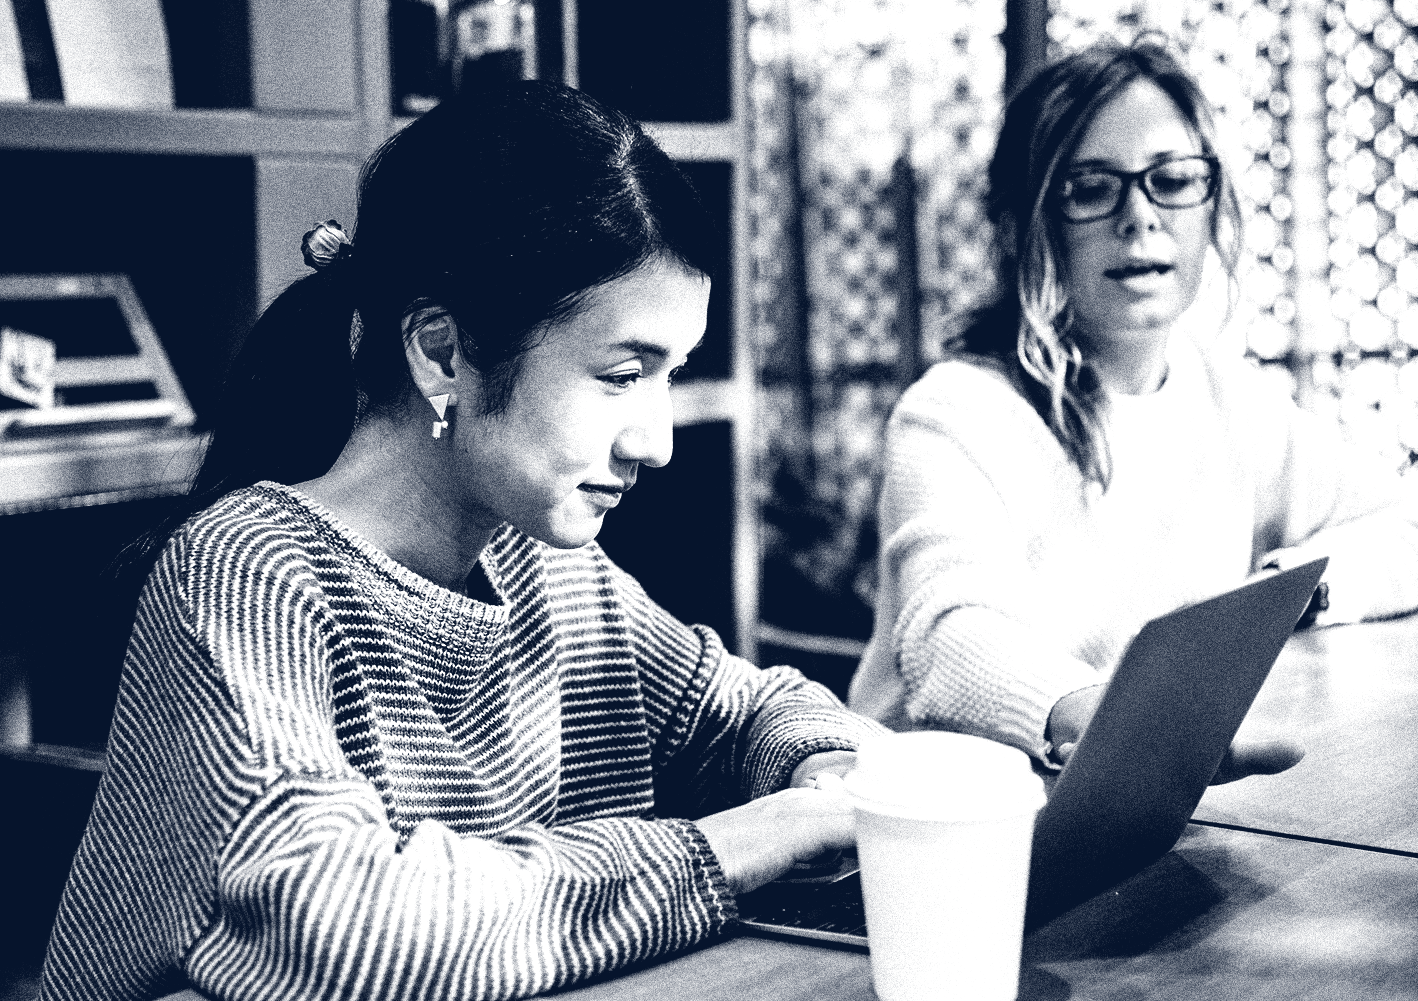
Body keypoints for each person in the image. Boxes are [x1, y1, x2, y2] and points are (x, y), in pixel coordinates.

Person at [43, 82, 882, 1001]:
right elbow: (339, 925)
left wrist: (824, 769)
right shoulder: (247, 575)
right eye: (622, 374)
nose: (658, 440)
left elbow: (751, 708)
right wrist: (735, 845)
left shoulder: (551, 569)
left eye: (671, 376)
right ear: (442, 351)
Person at [848, 38, 1418, 775]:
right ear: (1023, 222)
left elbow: (1404, 525)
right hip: (941, 834)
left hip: (1128, 808)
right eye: (1092, 187)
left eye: (1173, 179)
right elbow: (949, 640)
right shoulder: (954, 413)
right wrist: (1113, 722)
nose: (1140, 216)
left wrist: (1296, 589)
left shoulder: (1225, 397)